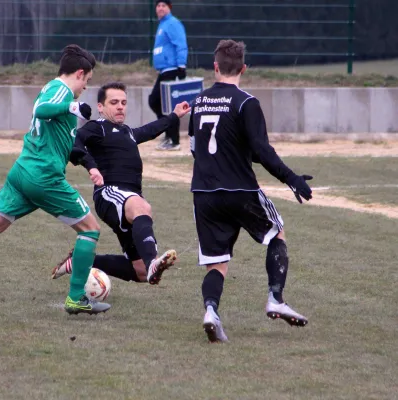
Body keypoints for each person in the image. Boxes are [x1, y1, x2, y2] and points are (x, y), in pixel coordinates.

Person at [0, 45, 110, 315]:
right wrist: (73, 105)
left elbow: (56, 128)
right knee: (90, 229)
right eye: (87, 81)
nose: (85, 87)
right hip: (43, 177)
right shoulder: (62, 92)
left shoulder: (52, 86)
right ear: (80, 73)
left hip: (23, 171)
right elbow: (41, 110)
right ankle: (76, 298)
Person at [188, 40, 312, 343]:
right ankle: (275, 298)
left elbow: (196, 148)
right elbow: (262, 150)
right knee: (276, 233)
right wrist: (291, 178)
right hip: (240, 190)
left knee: (217, 262)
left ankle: (211, 311)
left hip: (203, 193)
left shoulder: (198, 101)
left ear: (214, 67)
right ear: (244, 68)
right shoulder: (247, 102)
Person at [52, 82, 189, 284]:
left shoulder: (128, 132)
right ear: (100, 107)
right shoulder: (97, 127)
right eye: (114, 102)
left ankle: (80, 260)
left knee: (140, 271)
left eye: (123, 103)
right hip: (110, 193)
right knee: (142, 207)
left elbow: (150, 130)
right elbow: (74, 142)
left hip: (127, 199)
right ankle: (153, 263)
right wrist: (90, 165)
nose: (120, 107)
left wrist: (174, 115)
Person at [148, 0, 188, 151]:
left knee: (168, 105)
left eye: (163, 5)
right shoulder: (162, 25)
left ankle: (174, 140)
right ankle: (168, 135)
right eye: (158, 5)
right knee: (155, 101)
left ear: (169, 8)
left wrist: (181, 65)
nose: (160, 8)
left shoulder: (172, 23)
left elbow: (180, 43)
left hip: (172, 69)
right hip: (164, 70)